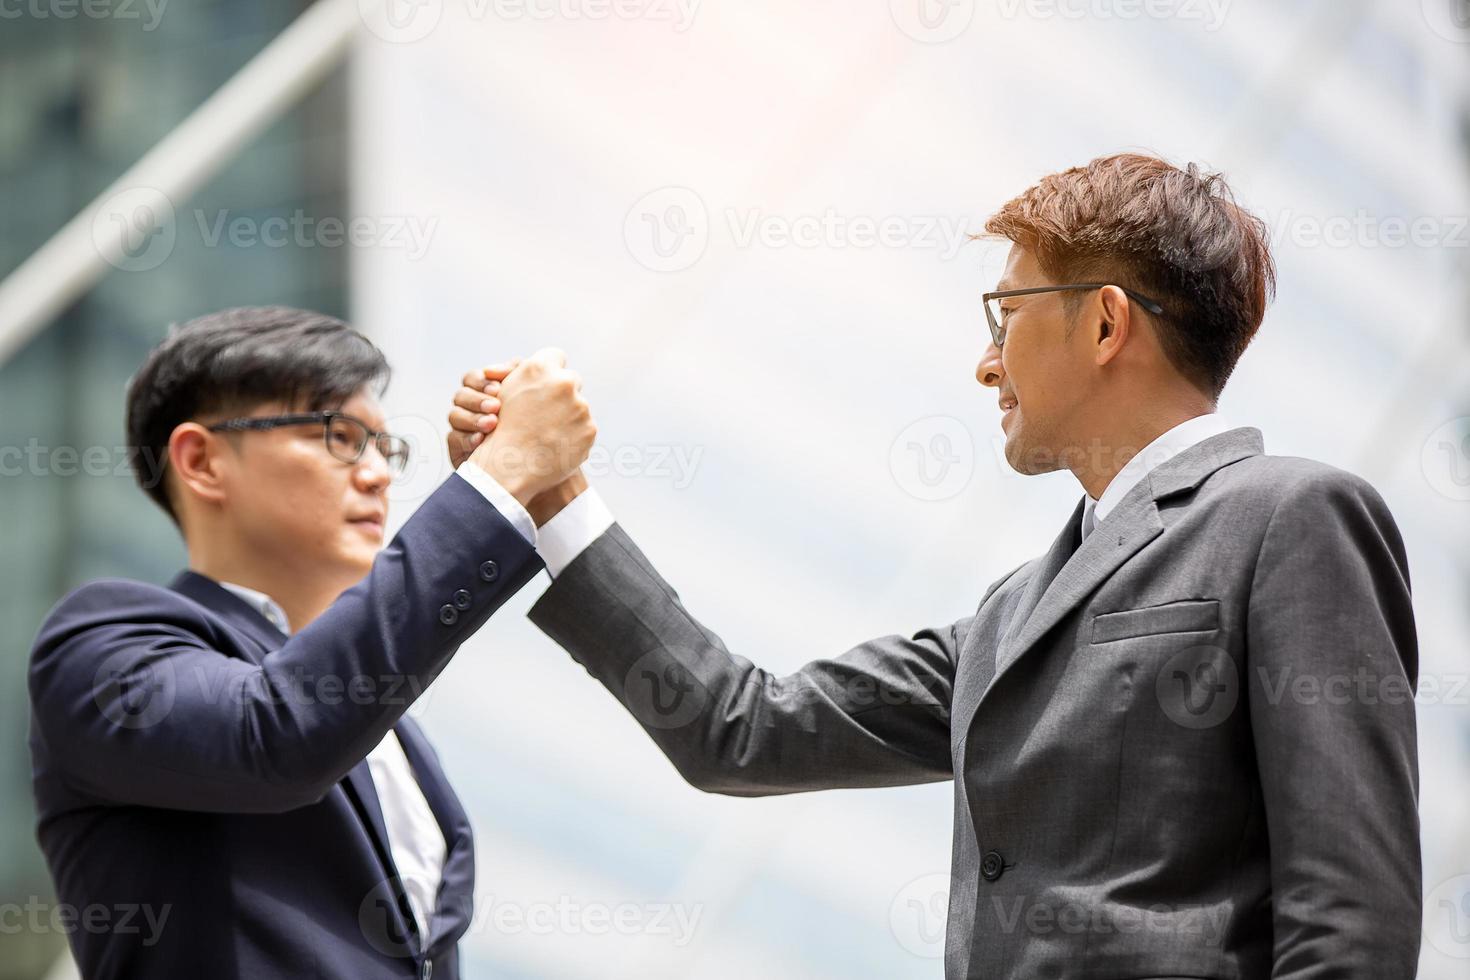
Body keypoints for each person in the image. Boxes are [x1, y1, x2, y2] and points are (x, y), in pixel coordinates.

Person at [448, 154, 1422, 977]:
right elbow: (738, 727)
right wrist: (551, 495)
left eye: (1005, 314)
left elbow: (1350, 922)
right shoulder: (1008, 616)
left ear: (1105, 323)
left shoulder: (1291, 518)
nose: (985, 362)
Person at [29, 307, 595, 979]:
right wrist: (498, 483)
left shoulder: (398, 736)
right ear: (202, 460)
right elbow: (273, 732)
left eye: (387, 449)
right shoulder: (100, 645)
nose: (379, 474)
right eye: (341, 436)